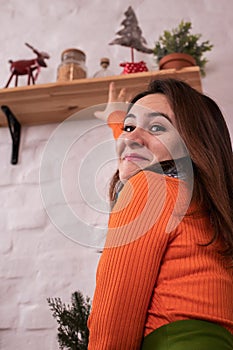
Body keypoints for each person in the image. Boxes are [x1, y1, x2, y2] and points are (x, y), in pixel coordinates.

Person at [87, 79, 233, 349]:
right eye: (129, 127)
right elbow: (150, 149)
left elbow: (114, 320)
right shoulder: (216, 216)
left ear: (194, 143)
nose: (128, 136)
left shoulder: (149, 189)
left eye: (157, 126)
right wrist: (119, 122)